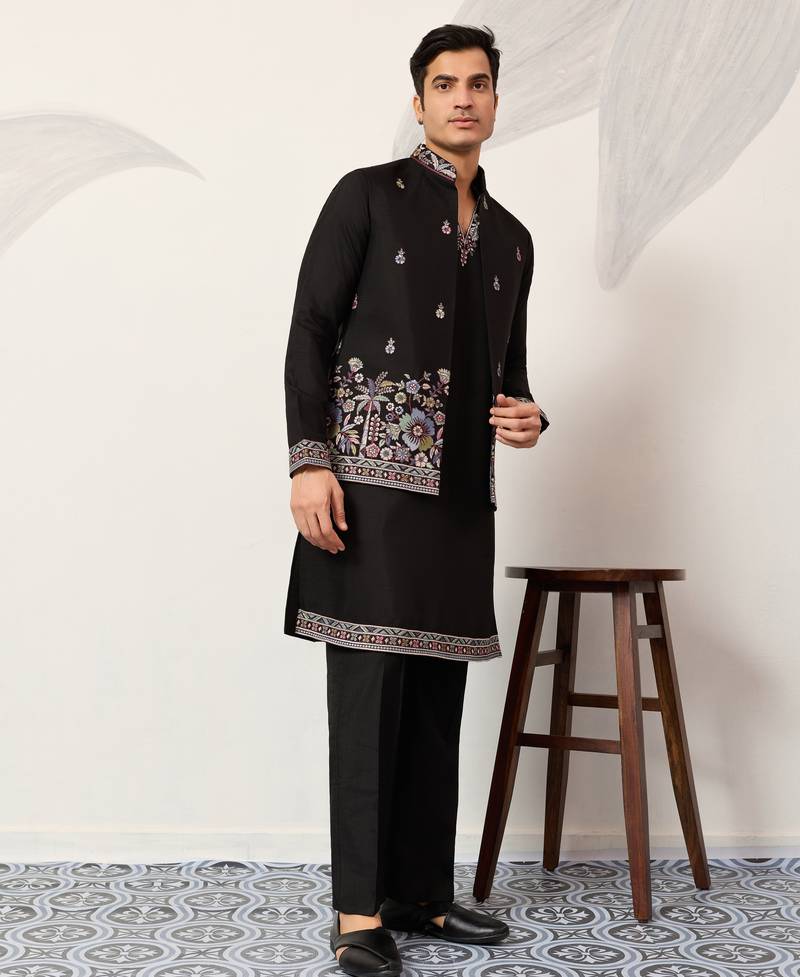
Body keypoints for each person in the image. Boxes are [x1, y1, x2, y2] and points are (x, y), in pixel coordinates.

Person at [283, 23, 550, 977]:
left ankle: (422, 897)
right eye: (445, 84)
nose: (463, 98)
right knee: (369, 699)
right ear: (419, 100)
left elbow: (511, 374)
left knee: (437, 699)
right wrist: (309, 461)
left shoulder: (512, 240)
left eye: (477, 83)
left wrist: (530, 416)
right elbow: (310, 329)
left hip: (460, 495)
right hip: (365, 488)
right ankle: (360, 914)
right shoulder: (366, 196)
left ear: (495, 100)